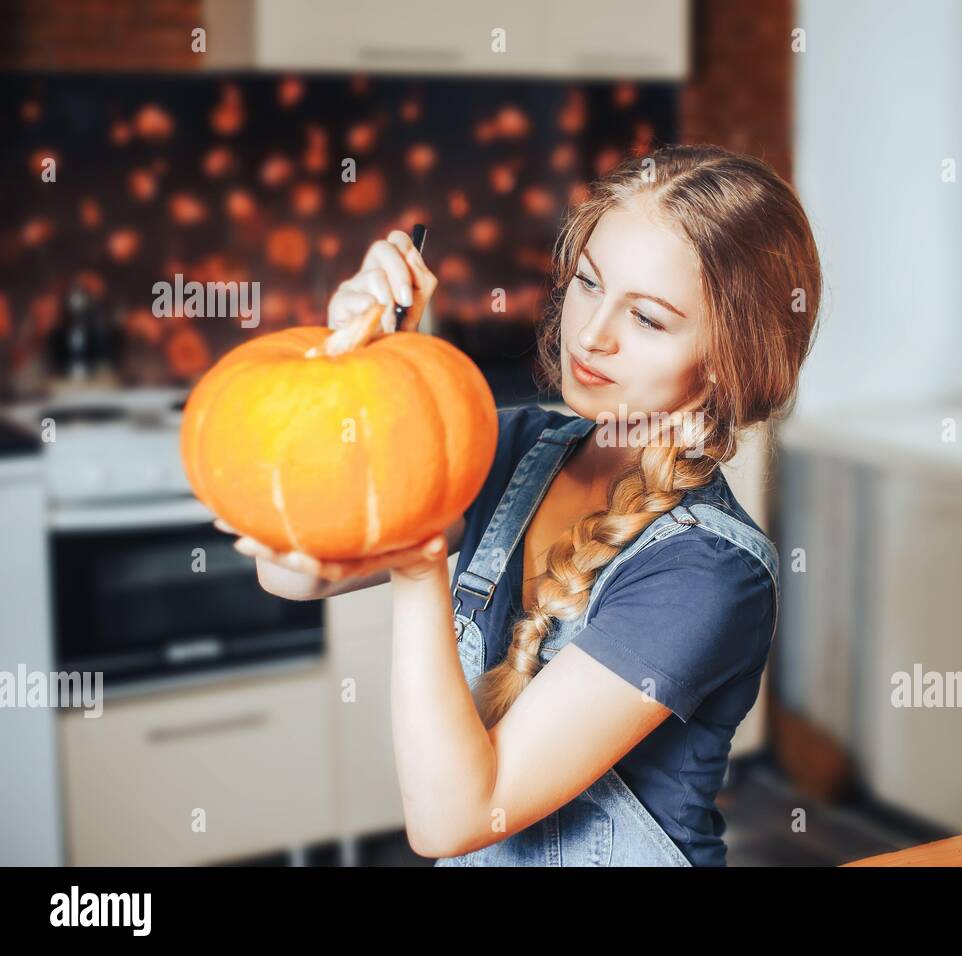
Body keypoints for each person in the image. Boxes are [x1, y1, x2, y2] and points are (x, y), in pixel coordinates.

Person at [226, 143, 823, 866]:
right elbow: (293, 574)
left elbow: (453, 819)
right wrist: (360, 366)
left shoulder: (706, 573)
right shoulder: (514, 444)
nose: (593, 334)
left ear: (731, 358)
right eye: (589, 284)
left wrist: (421, 571)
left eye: (649, 319)